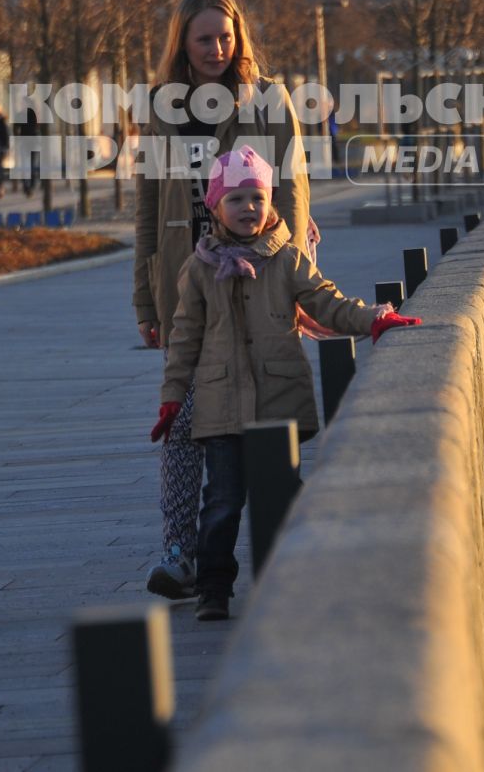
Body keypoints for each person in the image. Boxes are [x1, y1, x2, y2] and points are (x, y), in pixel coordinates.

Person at [151, 147, 417, 620]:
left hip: (278, 399)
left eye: (257, 197)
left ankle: (298, 573)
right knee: (222, 502)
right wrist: (173, 400)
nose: (248, 208)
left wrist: (372, 320)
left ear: (270, 202)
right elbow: (184, 338)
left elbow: (326, 301)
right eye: (236, 199)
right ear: (216, 207)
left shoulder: (287, 259)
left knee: (286, 494)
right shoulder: (199, 269)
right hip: (220, 406)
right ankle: (214, 586)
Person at [134, 0, 311, 602]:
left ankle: (274, 548)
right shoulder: (161, 105)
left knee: (257, 421)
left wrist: (292, 272)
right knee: (182, 420)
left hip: (260, 283)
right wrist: (144, 300)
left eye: (225, 35)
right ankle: (182, 553)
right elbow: (149, 207)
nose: (216, 47)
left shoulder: (269, 101)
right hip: (187, 287)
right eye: (204, 37)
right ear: (182, 41)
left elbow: (291, 192)